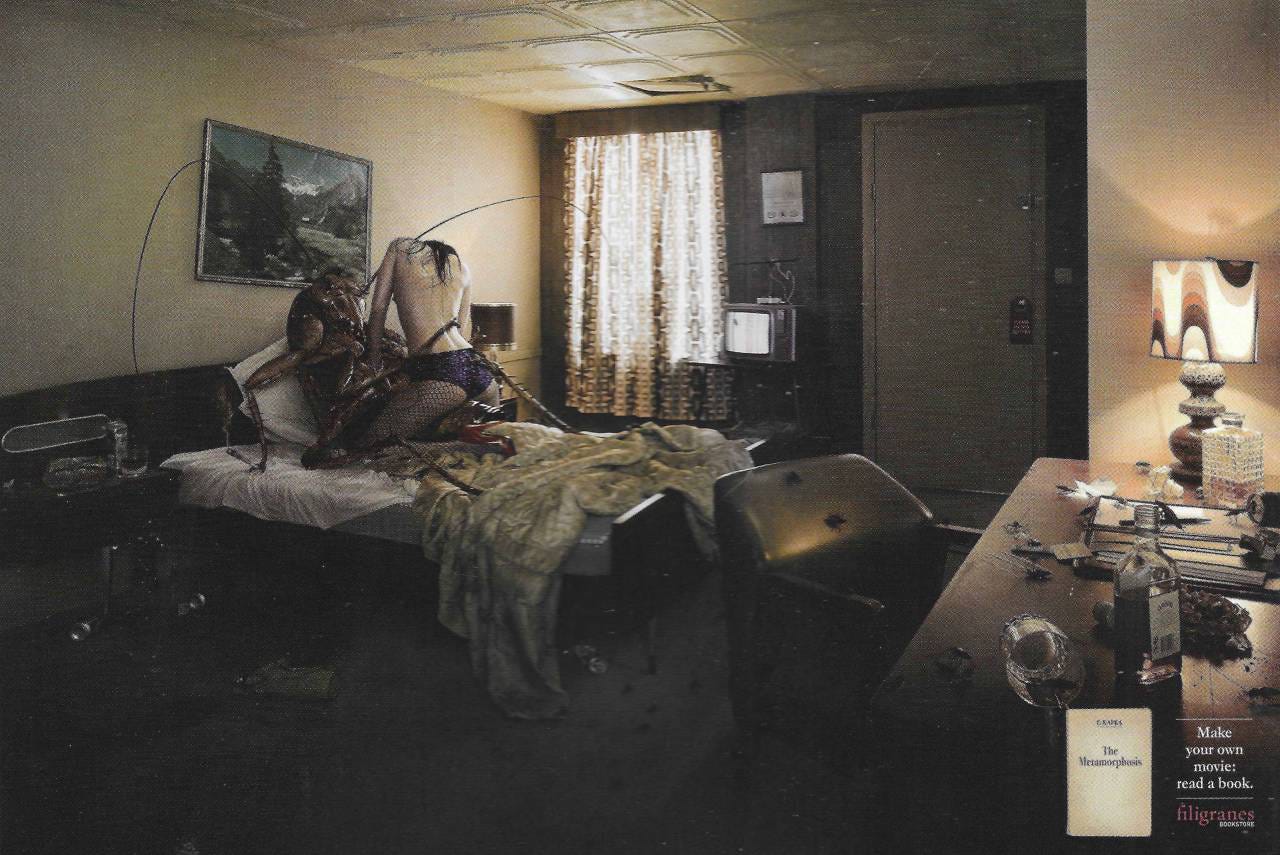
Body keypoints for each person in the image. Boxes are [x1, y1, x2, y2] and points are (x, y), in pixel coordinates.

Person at [360, 237, 499, 446]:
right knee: (486, 450)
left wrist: (373, 360)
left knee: (368, 443)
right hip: (479, 372)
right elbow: (460, 329)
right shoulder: (463, 268)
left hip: (441, 371)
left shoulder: (399, 248)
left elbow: (379, 308)